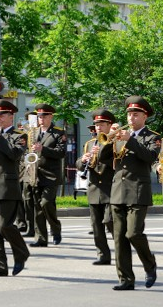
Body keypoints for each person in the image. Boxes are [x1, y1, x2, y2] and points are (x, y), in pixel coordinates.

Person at [110, 96, 158, 291]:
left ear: (144, 116)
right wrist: (108, 139)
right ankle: (126, 279)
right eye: (129, 114)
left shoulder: (153, 137)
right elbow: (106, 161)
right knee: (119, 238)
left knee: (134, 233)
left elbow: (149, 157)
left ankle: (150, 264)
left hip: (138, 190)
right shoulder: (121, 135)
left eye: (135, 114)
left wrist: (130, 140)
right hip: (118, 191)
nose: (131, 118)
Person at [0, 99, 30, 277]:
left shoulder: (19, 136)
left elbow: (15, 154)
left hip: (7, 187)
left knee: (4, 225)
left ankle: (21, 252)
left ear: (11, 116)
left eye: (2, 115)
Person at [76, 109, 115, 266]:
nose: (98, 127)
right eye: (96, 124)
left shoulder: (114, 142)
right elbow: (79, 165)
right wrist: (84, 159)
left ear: (109, 125)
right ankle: (103, 255)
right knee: (96, 225)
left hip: (110, 188)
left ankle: (121, 249)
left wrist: (100, 153)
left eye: (102, 124)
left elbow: (113, 163)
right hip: (94, 189)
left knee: (109, 221)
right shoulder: (89, 144)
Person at [28, 103, 66, 248]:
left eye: (44, 116)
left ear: (50, 116)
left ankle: (56, 229)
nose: (41, 118)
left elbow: (61, 153)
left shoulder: (58, 133)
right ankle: (41, 238)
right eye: (39, 116)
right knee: (37, 207)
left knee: (46, 203)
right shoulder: (33, 132)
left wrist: (43, 149)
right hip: (36, 174)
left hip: (51, 175)